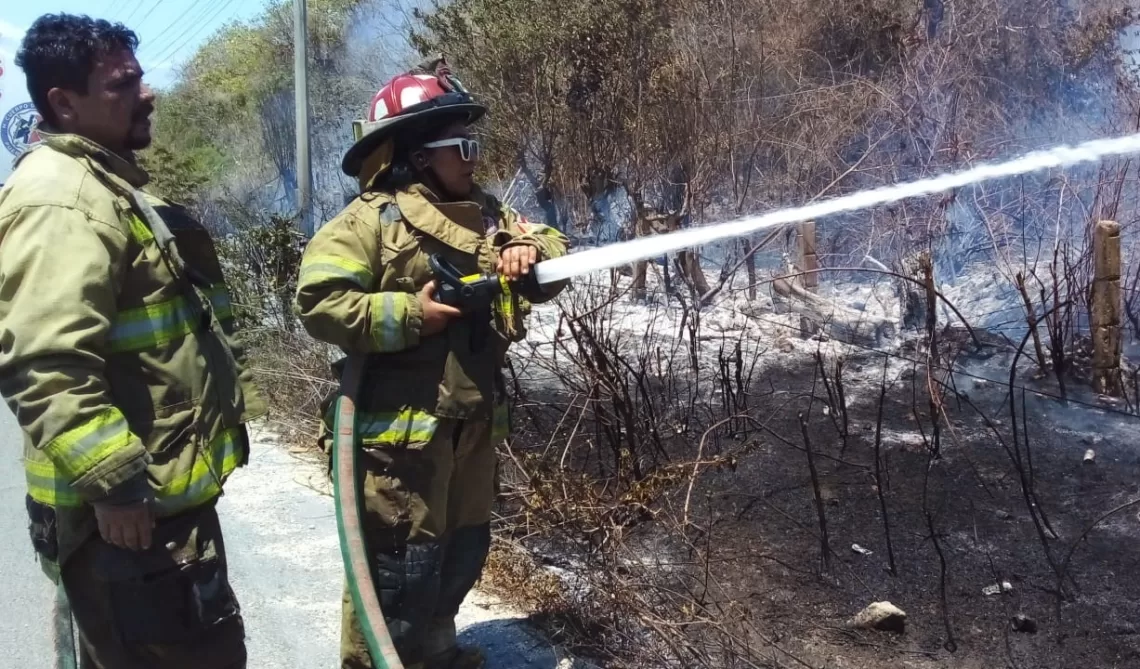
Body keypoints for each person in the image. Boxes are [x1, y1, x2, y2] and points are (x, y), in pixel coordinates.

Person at [0, 14, 265, 668]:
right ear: (65, 102)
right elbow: (46, 365)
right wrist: (114, 483)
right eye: (124, 84)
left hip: (154, 506)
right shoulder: (61, 201)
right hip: (130, 518)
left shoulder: (104, 185)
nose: (148, 95)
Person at [295, 58, 570, 669]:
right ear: (420, 157)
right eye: (462, 146)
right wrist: (413, 314)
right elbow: (318, 304)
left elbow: (553, 243)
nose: (475, 158)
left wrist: (528, 250)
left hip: (470, 424)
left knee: (460, 552)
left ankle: (435, 654)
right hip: (398, 439)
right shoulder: (368, 223)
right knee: (398, 572)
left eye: (477, 145)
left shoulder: (489, 214)